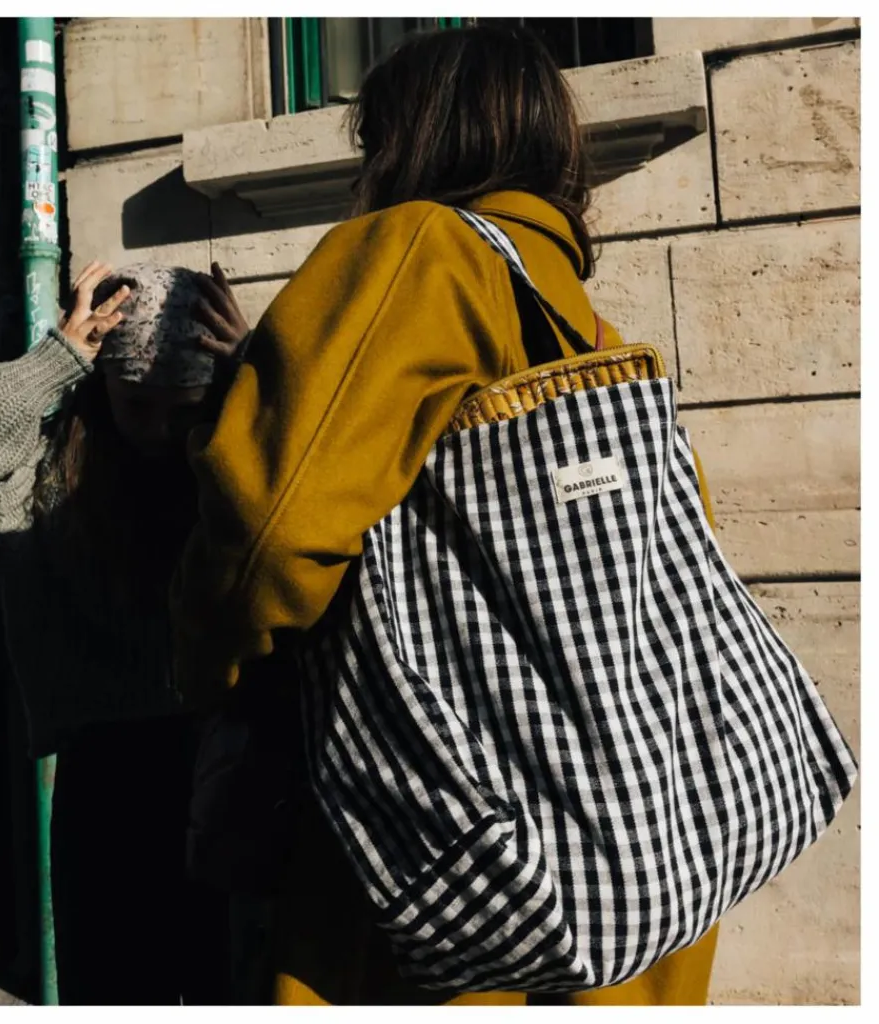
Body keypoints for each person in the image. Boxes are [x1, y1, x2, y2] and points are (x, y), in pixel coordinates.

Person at [169, 24, 720, 1006]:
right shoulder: (598, 346)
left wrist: (206, 663)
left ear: (411, 141)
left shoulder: (422, 252)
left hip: (441, 905)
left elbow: (270, 531)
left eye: (372, 144)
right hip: (631, 909)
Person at [0, 261, 251, 1005]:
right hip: (105, 794)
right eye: (139, 404)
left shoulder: (234, 460)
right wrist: (57, 358)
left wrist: (254, 370)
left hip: (232, 774)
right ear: (102, 387)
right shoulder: (38, 484)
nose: (162, 431)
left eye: (183, 409)